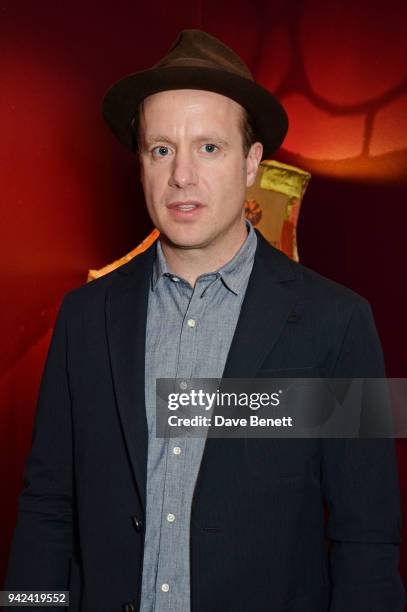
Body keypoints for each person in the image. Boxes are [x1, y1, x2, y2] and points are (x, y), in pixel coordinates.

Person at [5, 29, 405, 612]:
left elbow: (367, 537)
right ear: (141, 163)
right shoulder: (83, 317)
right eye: (161, 149)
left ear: (251, 165)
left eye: (209, 148)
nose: (181, 176)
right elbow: (46, 507)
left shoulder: (340, 322)